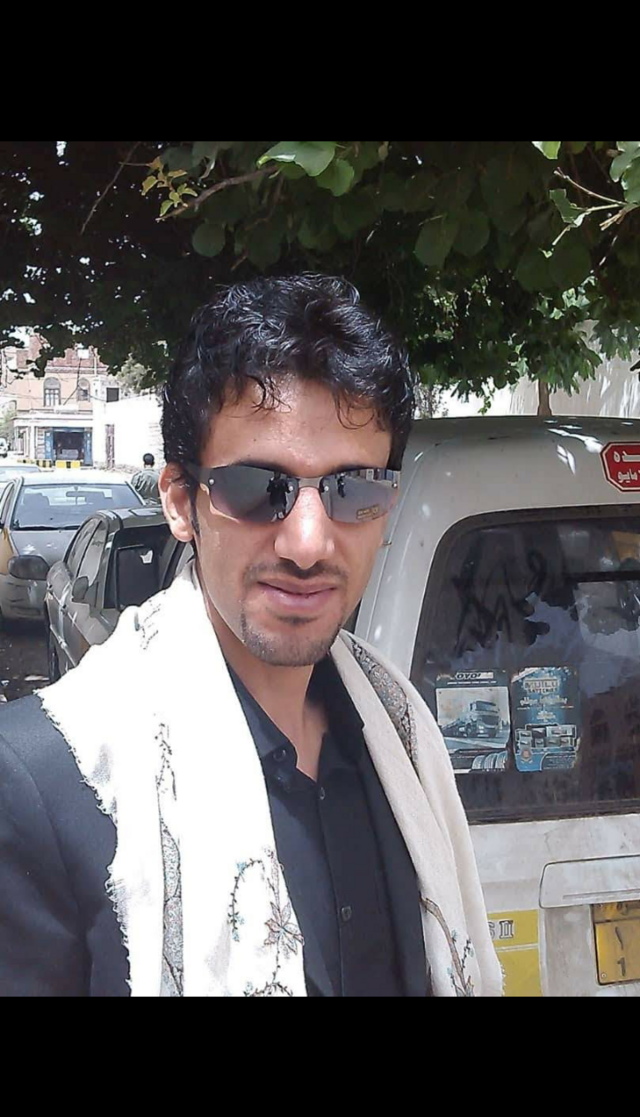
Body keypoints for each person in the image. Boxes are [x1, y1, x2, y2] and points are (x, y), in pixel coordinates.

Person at [0, 276, 502, 998]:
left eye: (354, 488)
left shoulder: (404, 740)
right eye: (259, 486)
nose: (308, 542)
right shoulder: (48, 779)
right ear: (181, 502)